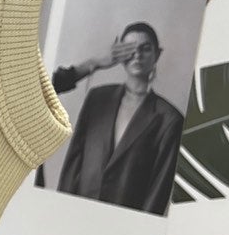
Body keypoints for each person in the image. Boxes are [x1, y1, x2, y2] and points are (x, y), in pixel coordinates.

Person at [49, 21, 184, 213]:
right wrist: (60, 207)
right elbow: (74, 162)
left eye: (145, 48)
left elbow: (158, 190)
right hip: (78, 210)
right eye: (129, 49)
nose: (137, 55)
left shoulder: (169, 119)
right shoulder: (97, 98)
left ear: (157, 54)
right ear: (118, 53)